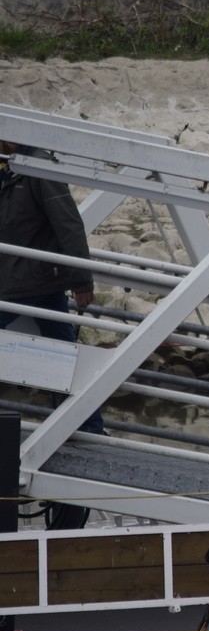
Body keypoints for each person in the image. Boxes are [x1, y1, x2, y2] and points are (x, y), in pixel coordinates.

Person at [0, 140, 105, 435]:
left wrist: (82, 280)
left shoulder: (38, 167)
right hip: (30, 277)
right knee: (64, 351)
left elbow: (68, 223)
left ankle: (87, 426)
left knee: (63, 351)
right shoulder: (12, 165)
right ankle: (88, 427)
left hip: (28, 279)